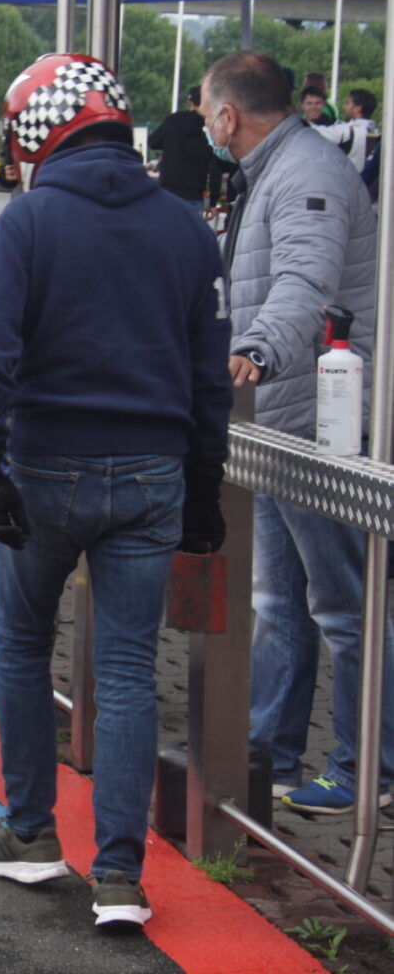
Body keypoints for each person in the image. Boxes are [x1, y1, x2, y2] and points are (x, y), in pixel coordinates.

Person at [0, 53, 233, 929]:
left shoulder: (29, 222)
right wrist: (204, 487)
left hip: (41, 467)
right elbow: (209, 378)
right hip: (153, 474)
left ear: (39, 130)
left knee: (22, 646)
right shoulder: (187, 228)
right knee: (124, 671)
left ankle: (31, 834)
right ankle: (120, 876)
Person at [198, 50, 391, 816]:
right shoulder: (271, 171)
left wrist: (254, 351)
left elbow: (303, 284)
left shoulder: (308, 173)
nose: (205, 124)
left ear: (227, 115)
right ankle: (268, 756)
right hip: (281, 416)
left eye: (205, 111)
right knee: (278, 598)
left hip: (319, 418)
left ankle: (367, 770)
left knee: (344, 607)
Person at [148, 85, 217, 209]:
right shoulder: (210, 127)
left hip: (169, 191)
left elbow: (152, 142)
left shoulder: (173, 120)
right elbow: (216, 167)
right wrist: (213, 201)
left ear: (189, 102)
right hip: (194, 194)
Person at [312, 88, 380, 172]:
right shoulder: (376, 131)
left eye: (347, 103)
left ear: (358, 108)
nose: (344, 107)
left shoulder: (348, 131)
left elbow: (313, 132)